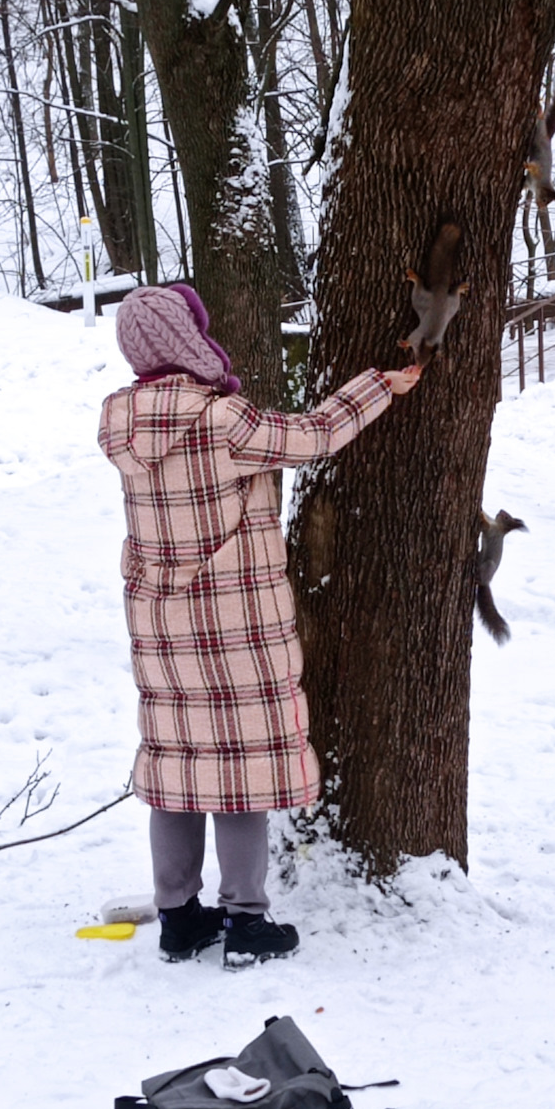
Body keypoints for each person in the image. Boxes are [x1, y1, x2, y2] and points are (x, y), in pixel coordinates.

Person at [98, 284, 419, 968]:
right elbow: (314, 437)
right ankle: (247, 922)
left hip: (163, 627)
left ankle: (179, 920)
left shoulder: (122, 422)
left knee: (180, 770)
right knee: (240, 774)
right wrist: (379, 385)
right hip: (236, 624)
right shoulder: (222, 421)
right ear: (189, 342)